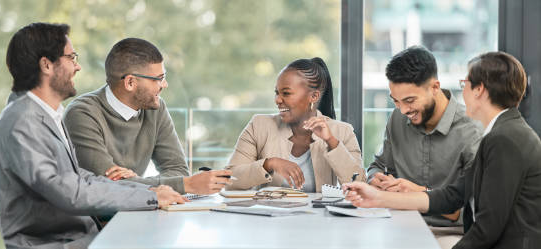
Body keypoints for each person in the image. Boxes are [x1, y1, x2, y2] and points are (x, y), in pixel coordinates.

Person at [0, 23, 185, 249]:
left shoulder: (44, 116)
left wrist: (148, 190)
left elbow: (79, 178)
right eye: (71, 58)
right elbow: (70, 192)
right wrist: (150, 197)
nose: (78, 67)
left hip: (81, 238)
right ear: (46, 65)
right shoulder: (22, 122)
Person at [344, 51, 541, 249]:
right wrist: (376, 197)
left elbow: (487, 229)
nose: (461, 92)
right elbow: (452, 196)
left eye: (464, 84)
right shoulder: (501, 133)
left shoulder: (504, 139)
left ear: (479, 90)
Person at [63, 38, 233, 196]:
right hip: (96, 223)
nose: (164, 85)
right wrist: (186, 185)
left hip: (139, 210)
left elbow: (178, 169)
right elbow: (109, 187)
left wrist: (135, 181)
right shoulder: (82, 114)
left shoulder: (155, 108)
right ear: (130, 82)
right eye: (159, 79)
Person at [366, 46, 482, 232]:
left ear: (435, 87)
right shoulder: (397, 119)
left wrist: (418, 192)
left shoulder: (472, 131)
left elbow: (472, 207)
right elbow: (378, 165)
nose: (403, 110)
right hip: (396, 224)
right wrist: (375, 178)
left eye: (410, 101)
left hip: (449, 233)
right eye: (396, 101)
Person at [225, 57, 364, 192]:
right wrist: (269, 163)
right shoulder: (259, 126)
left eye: (286, 93)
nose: (277, 100)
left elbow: (360, 186)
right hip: (269, 213)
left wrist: (331, 141)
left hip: (319, 215)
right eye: (277, 93)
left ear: (314, 96)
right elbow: (229, 179)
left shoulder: (342, 131)